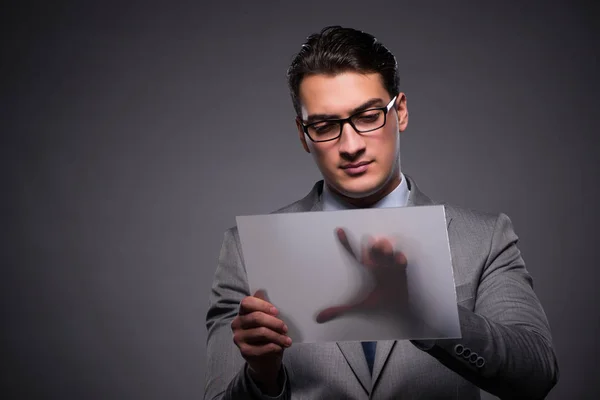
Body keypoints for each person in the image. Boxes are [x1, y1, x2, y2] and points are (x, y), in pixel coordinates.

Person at [204, 26, 559, 400]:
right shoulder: (247, 251)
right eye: (325, 126)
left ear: (400, 112)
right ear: (303, 134)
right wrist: (262, 377)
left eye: (369, 116)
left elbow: (536, 375)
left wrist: (424, 313)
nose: (351, 145)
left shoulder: (485, 238)